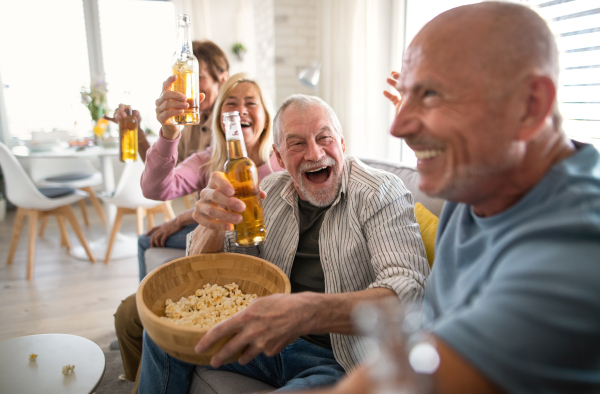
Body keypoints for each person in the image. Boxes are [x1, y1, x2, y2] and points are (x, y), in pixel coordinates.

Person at [288, 2, 600, 394]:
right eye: (405, 96)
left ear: (529, 106)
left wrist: (303, 312)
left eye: (432, 93)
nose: (397, 126)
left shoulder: (574, 256)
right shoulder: (480, 182)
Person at [138, 94, 431, 393]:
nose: (315, 154)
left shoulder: (380, 192)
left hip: (337, 359)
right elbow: (226, 271)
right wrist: (212, 226)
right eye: (297, 144)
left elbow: (409, 290)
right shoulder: (267, 191)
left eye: (324, 138)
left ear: (342, 145)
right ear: (278, 158)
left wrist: (304, 313)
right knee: (164, 334)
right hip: (263, 339)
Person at [114, 73, 284, 394]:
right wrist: (168, 133)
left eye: (251, 103)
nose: (240, 110)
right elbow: (155, 187)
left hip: (253, 281)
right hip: (209, 270)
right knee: (128, 315)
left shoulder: (284, 162)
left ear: (266, 117)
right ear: (221, 119)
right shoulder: (209, 160)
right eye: (231, 104)